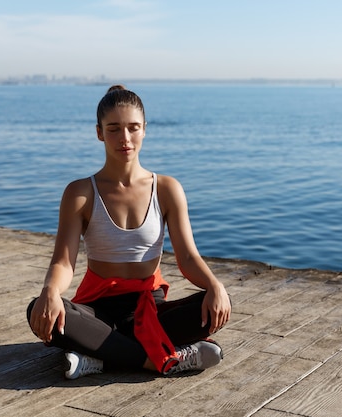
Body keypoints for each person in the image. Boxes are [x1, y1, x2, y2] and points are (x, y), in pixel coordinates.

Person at [27, 85, 231, 379]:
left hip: (150, 309)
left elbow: (187, 256)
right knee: (39, 309)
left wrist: (214, 285)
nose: (125, 138)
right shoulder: (80, 193)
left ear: (145, 129)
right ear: (99, 132)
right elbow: (63, 261)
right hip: (97, 311)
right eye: (114, 129)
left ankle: (100, 358)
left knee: (215, 305)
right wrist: (50, 291)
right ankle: (160, 359)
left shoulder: (166, 189)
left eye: (133, 128)